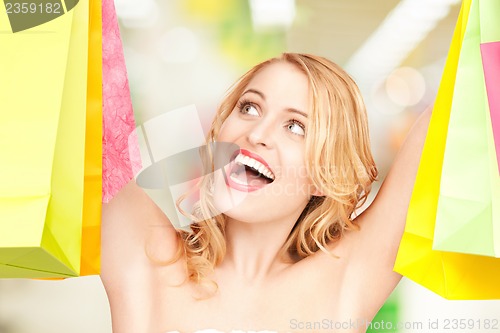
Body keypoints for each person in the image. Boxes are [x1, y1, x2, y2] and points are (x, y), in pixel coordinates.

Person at [100, 53, 431, 333]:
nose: (257, 133)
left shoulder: (346, 279)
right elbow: (98, 105)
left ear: (324, 176)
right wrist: (224, 158)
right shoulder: (150, 250)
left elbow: (444, 115)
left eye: (295, 127)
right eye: (249, 108)